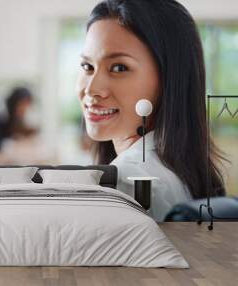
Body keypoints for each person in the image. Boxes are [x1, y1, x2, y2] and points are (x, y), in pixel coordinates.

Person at [77, 0, 228, 221]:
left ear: (169, 80)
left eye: (119, 68)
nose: (91, 89)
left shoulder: (127, 183)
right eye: (87, 66)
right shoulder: (176, 171)